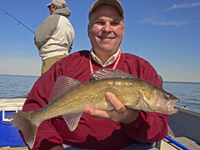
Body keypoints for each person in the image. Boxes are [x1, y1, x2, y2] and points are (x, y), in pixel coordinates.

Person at [22, 0, 168, 149]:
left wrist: (131, 118)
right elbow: (33, 108)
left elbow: (159, 129)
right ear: (88, 29)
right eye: (99, 22)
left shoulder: (142, 68)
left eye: (115, 23)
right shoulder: (64, 66)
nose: (107, 29)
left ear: (123, 31)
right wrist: (52, 147)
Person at [34, 0, 75, 75]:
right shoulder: (69, 25)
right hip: (65, 60)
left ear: (54, 7)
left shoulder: (52, 18)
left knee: (48, 86)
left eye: (50, 7)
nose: (49, 10)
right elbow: (70, 48)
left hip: (50, 60)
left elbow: (38, 39)